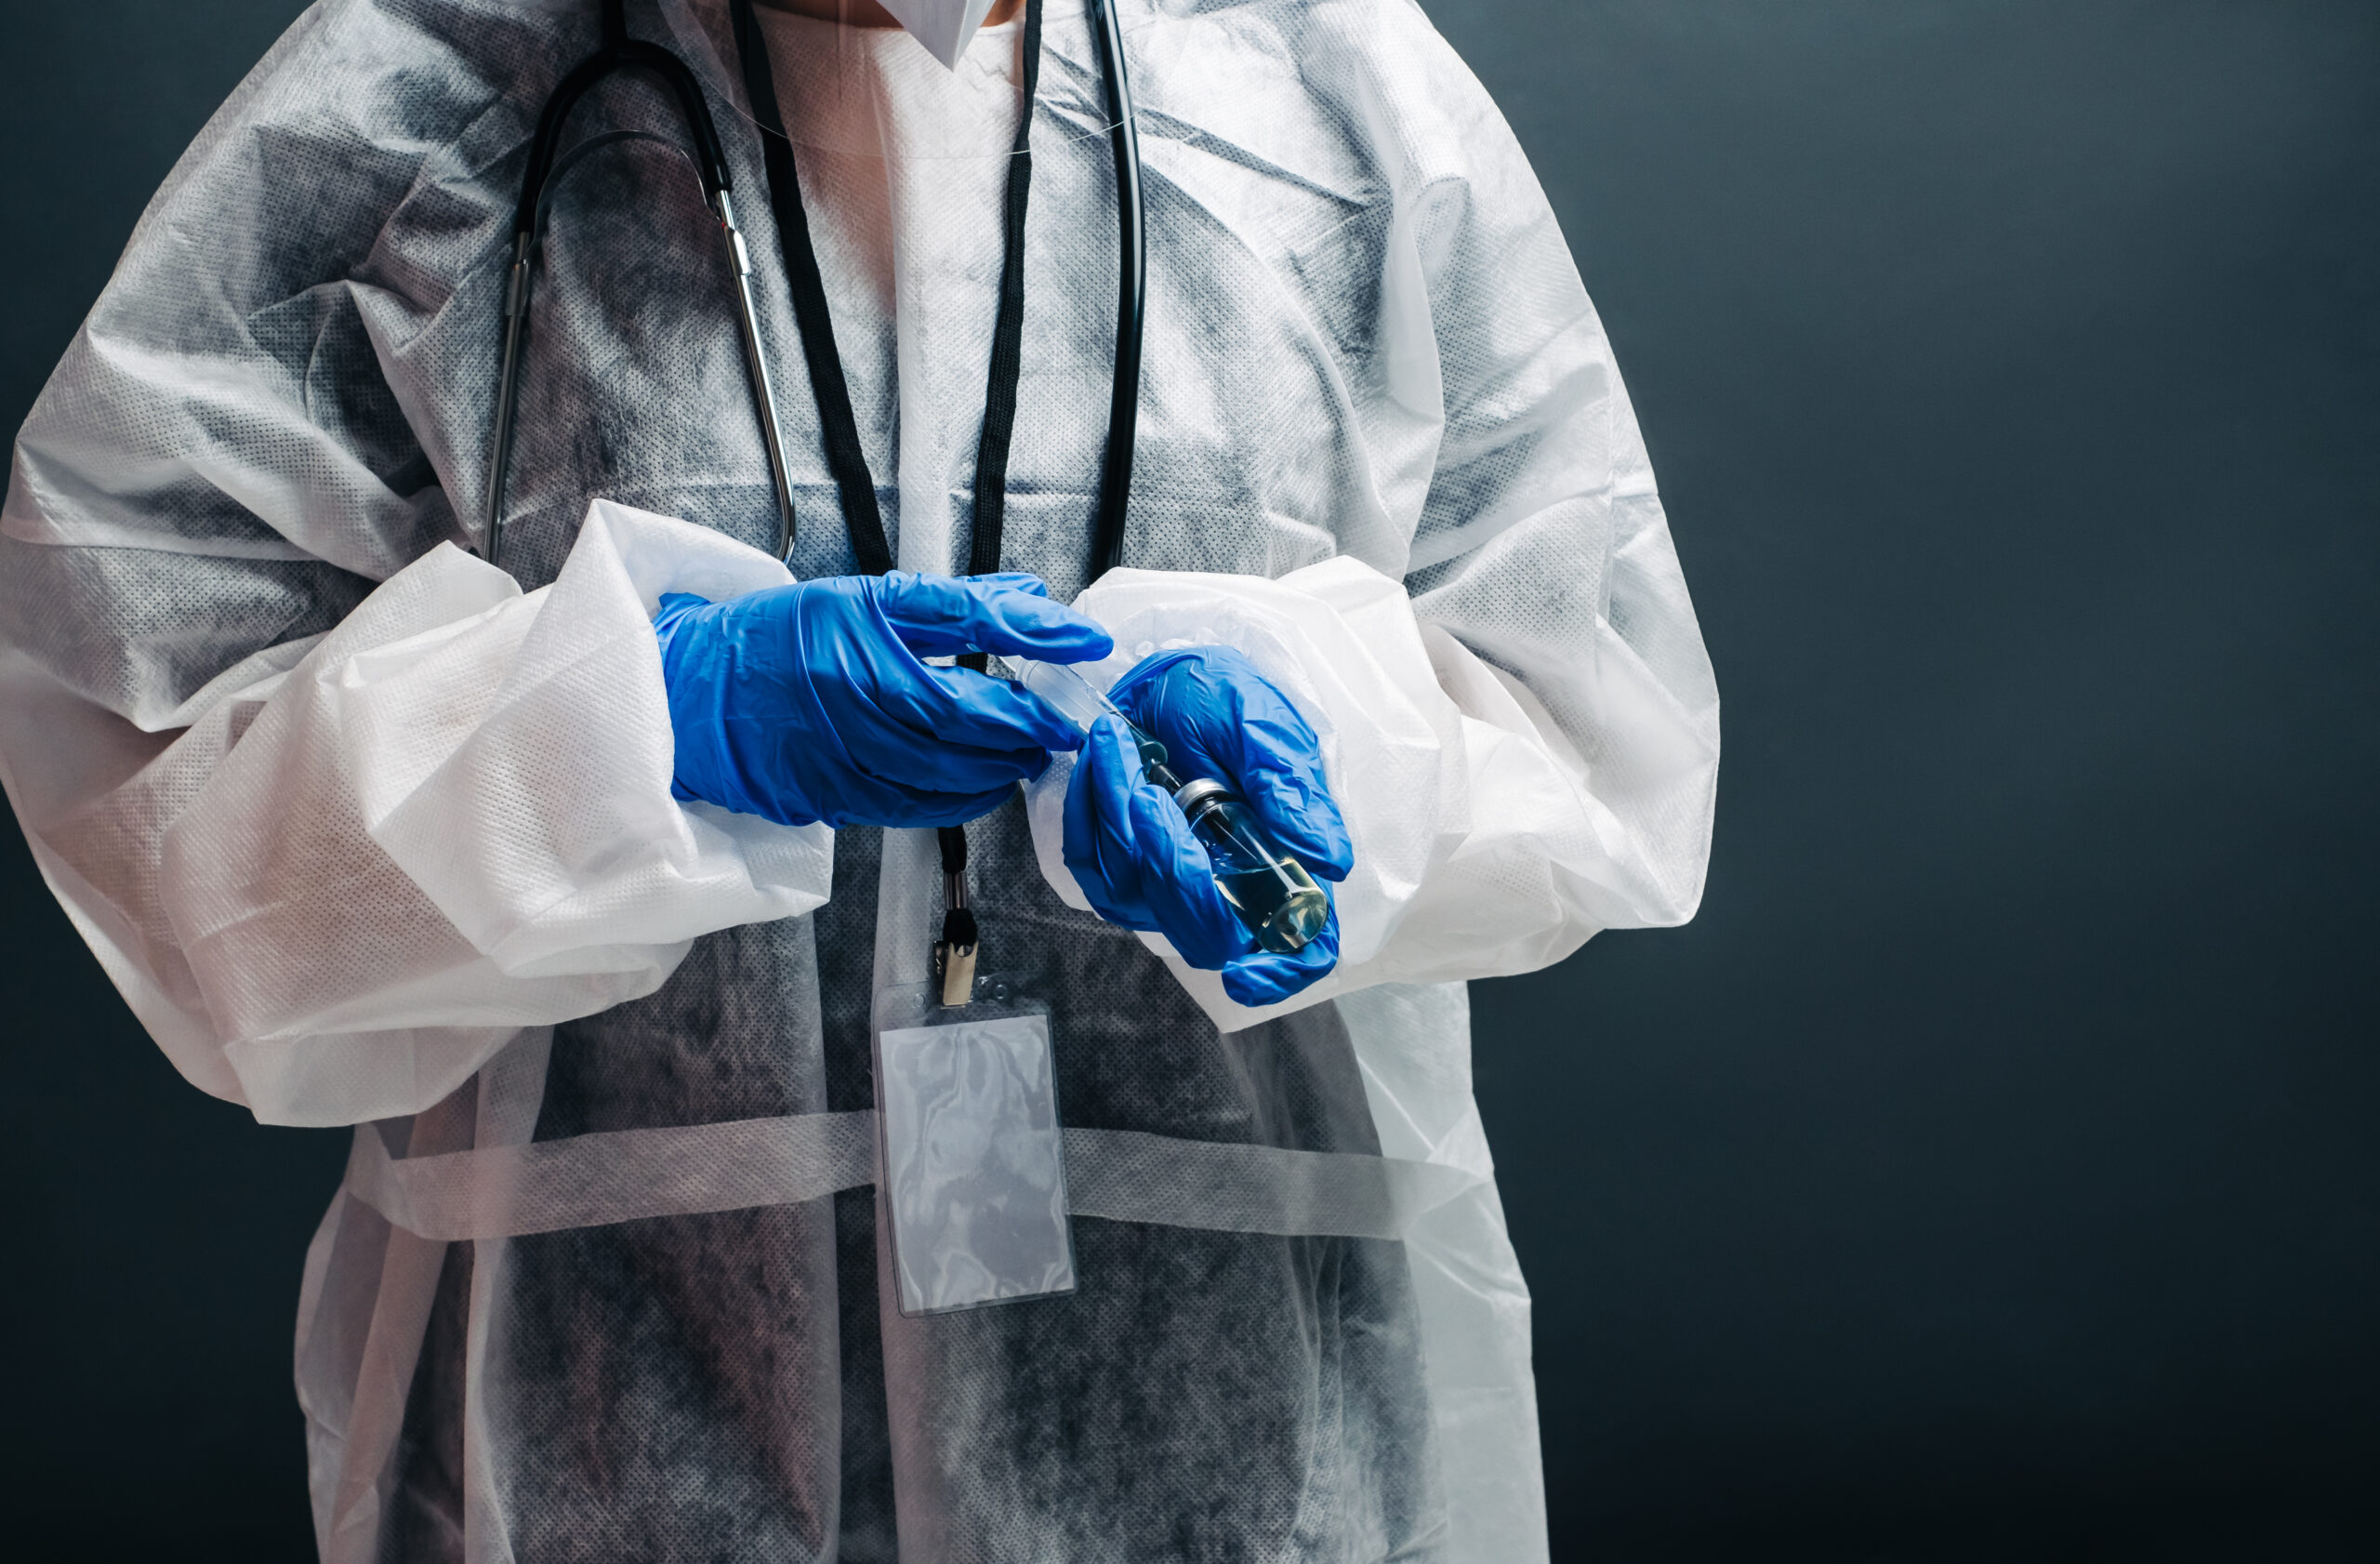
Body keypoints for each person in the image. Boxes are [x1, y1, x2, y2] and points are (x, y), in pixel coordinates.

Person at [0, 0, 1720, 1559]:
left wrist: (1327, 744)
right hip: (601, 1438)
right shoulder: (430, 100)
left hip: (1232, 1455)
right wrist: (634, 727)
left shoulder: (1331, 100)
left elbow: (1592, 707)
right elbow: (132, 719)